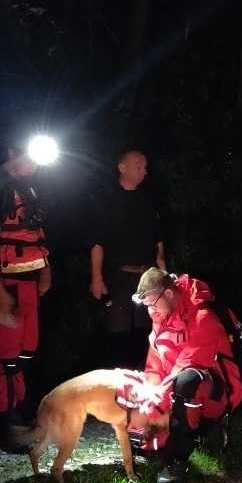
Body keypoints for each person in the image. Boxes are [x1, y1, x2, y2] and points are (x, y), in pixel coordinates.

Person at [132, 268, 242, 483]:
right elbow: (154, 366)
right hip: (176, 385)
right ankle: (148, 444)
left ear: (169, 294)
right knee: (139, 384)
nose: (151, 310)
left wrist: (157, 398)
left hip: (216, 390)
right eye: (147, 306)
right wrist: (147, 394)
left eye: (153, 303)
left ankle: (177, 460)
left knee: (186, 383)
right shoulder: (160, 317)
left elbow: (184, 368)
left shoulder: (203, 317)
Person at [0, 143, 52, 451]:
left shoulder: (28, 187)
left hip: (28, 284)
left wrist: (47, 271)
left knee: (23, 352)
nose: (35, 165)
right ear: (11, 153)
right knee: (3, 357)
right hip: (4, 285)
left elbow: (35, 234)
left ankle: (21, 412)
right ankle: (7, 423)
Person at [89, 150, 166, 368]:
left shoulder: (148, 200)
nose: (144, 170)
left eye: (145, 166)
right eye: (138, 165)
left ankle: (146, 383)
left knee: (146, 332)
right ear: (122, 167)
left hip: (147, 277)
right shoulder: (106, 199)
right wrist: (97, 277)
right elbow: (97, 241)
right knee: (118, 333)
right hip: (118, 275)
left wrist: (163, 273)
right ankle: (120, 384)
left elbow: (158, 240)